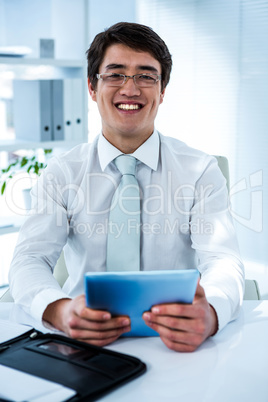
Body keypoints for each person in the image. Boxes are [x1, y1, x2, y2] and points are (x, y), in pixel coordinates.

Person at [9, 22, 244, 353]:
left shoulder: (200, 170)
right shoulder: (62, 172)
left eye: (146, 76)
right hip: (81, 340)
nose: (130, 89)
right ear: (92, 87)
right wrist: (59, 311)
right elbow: (29, 259)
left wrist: (212, 314)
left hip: (175, 342)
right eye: (115, 74)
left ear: (162, 91)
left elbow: (223, 260)